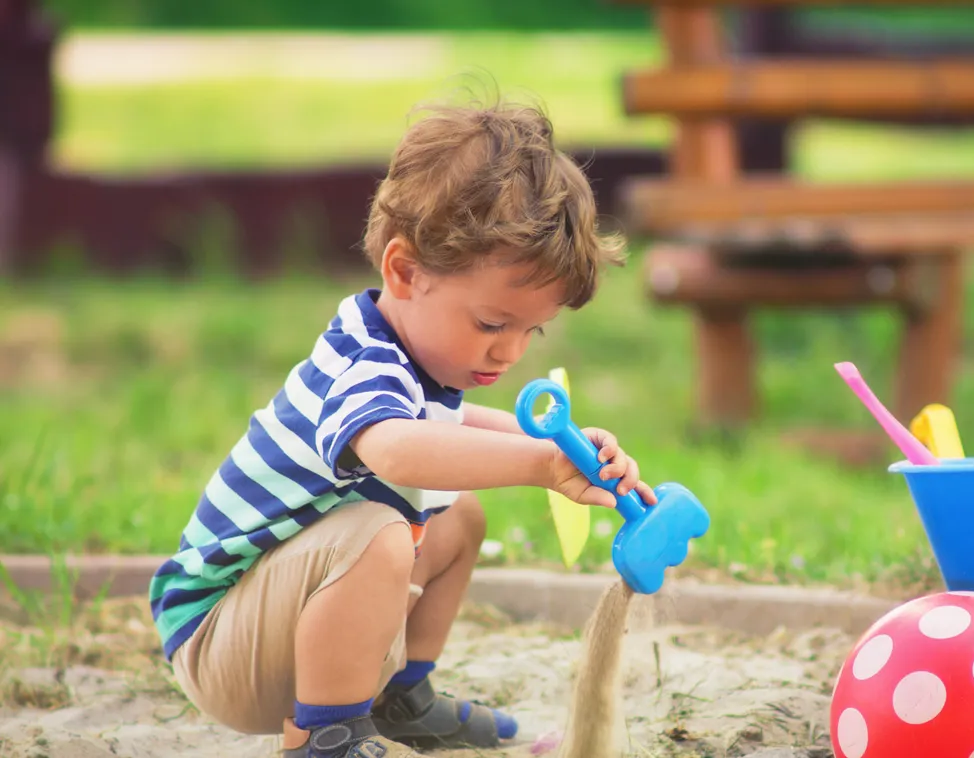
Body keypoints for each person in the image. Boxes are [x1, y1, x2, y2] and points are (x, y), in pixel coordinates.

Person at [148, 95, 656, 758]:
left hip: (281, 625)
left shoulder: (411, 359)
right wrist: (537, 469)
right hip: (219, 638)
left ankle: (399, 698)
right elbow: (396, 449)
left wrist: (556, 445)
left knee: (459, 516)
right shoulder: (364, 359)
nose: (510, 352)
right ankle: (324, 736)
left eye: (532, 330)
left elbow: (451, 423)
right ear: (404, 271)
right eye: (490, 324)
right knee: (380, 533)